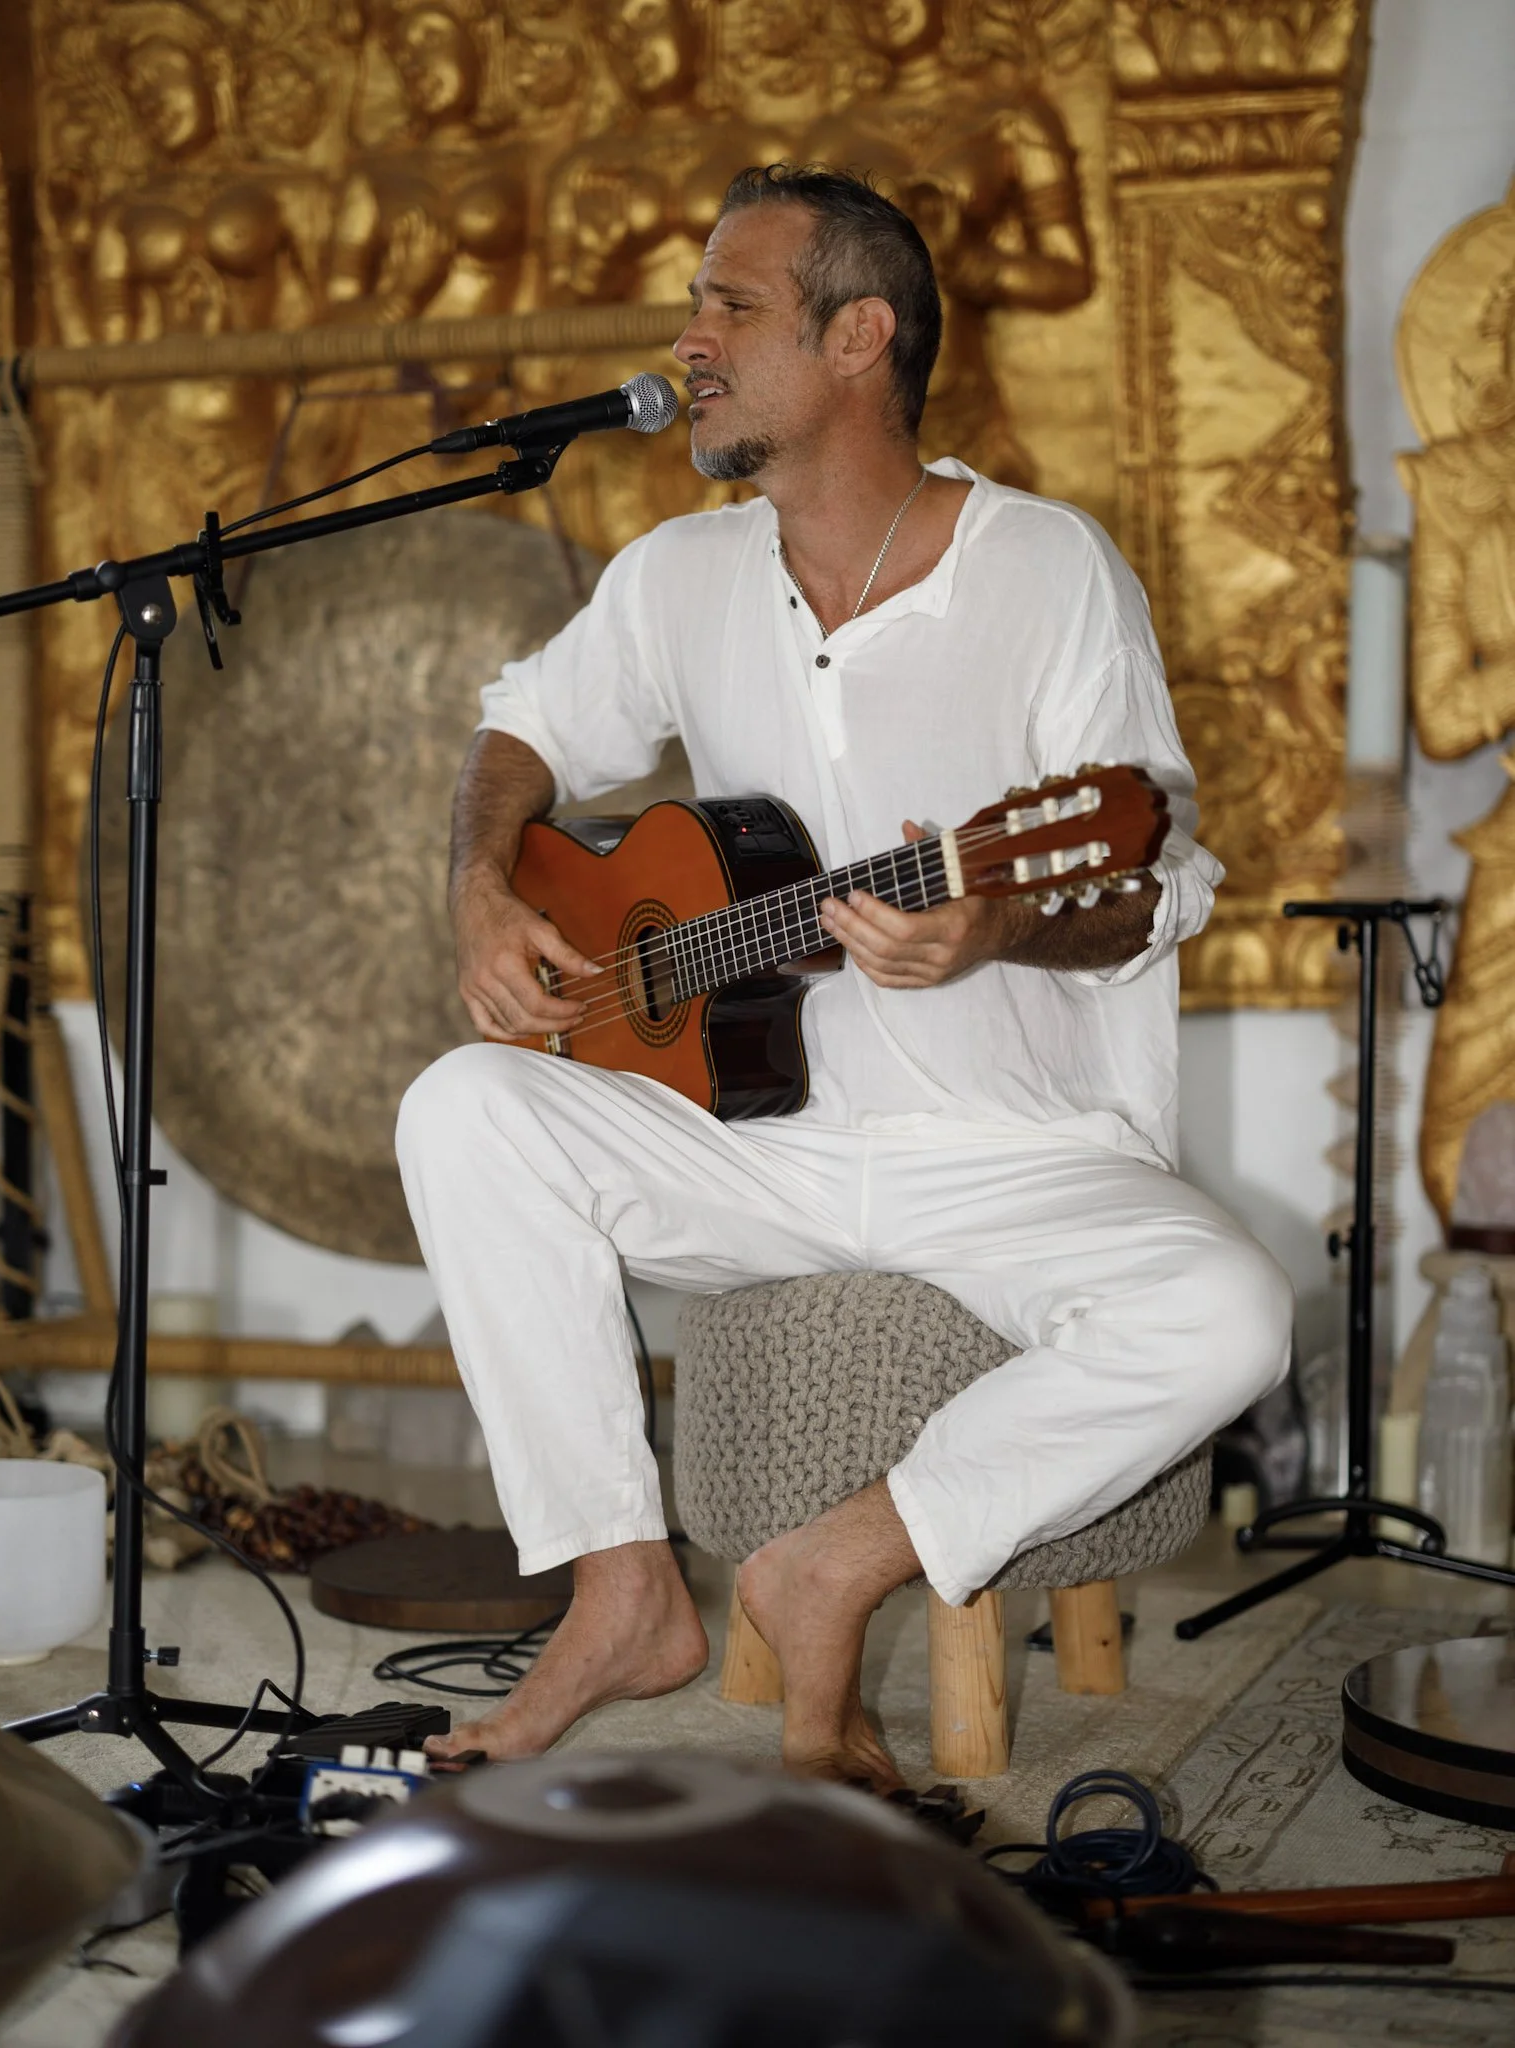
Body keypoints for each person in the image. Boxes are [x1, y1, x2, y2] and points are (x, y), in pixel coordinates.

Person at [398, 164, 1293, 1789]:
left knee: (1232, 1312)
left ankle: (840, 1558)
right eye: (699, 308)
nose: (691, 342)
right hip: (763, 1155)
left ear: (862, 335)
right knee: (467, 1104)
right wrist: (476, 887)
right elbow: (520, 721)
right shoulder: (675, 576)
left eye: (730, 307)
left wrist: (999, 927)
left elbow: (1145, 877)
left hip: (1018, 1161)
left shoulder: (1047, 567)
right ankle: (619, 1586)